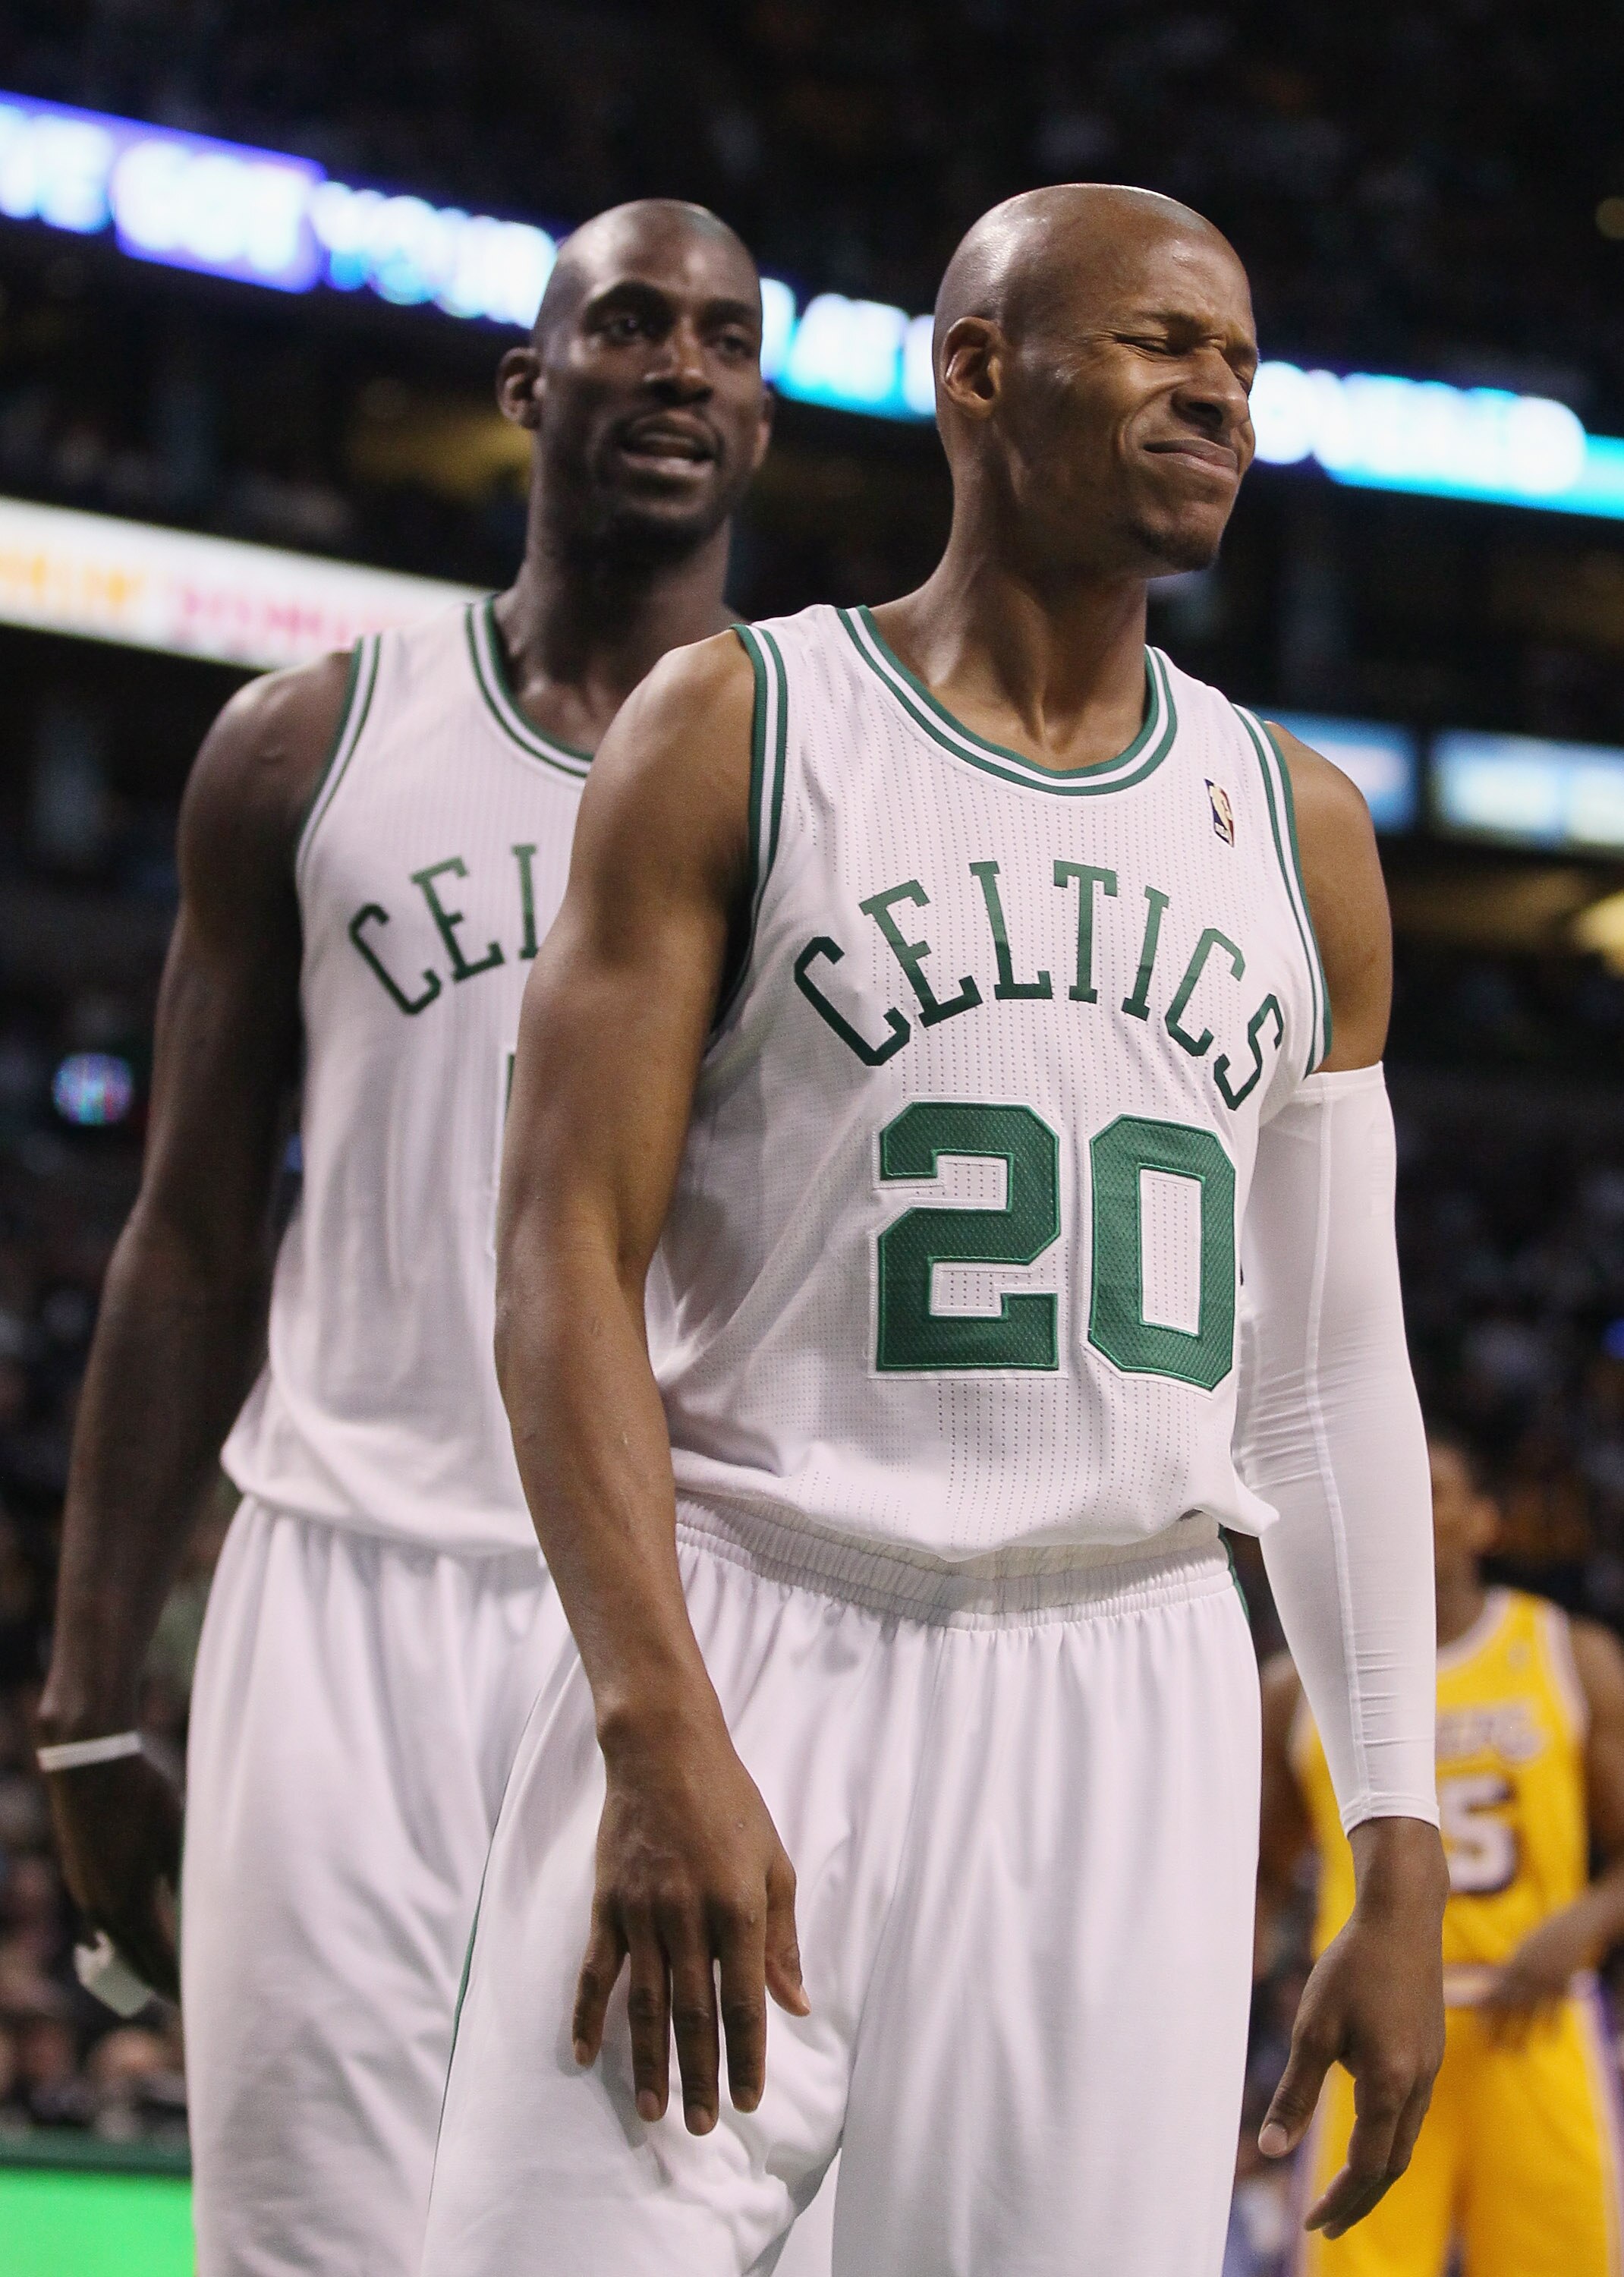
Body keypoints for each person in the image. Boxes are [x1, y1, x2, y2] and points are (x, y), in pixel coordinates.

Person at [422, 183, 1448, 2277]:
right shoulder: (738, 725)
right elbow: (558, 1261)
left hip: (1126, 1687)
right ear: (974, 369)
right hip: (757, 1631)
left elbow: (1330, 1375)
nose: (1219, 397)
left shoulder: (1301, 831)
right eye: (1160, 342)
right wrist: (651, 1721)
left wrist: (1396, 1836)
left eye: (1240, 364)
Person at [33, 200, 779, 2277]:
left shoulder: (821, 769)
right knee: (305, 2237)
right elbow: (186, 1241)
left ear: (761, 423)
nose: (681, 364)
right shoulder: (307, 744)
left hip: (692, 1609)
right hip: (342, 1590)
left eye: (726, 340)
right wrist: (90, 1690)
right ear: (526, 386)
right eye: (629, 323)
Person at [1260, 1425, 1624, 2276]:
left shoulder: (1568, 1653)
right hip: (1368, 2035)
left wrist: (1582, 1926)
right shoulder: (1298, 1683)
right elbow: (1262, 1880)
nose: (1403, 1511)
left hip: (1532, 2022)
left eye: (1430, 1492)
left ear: (1484, 1520)